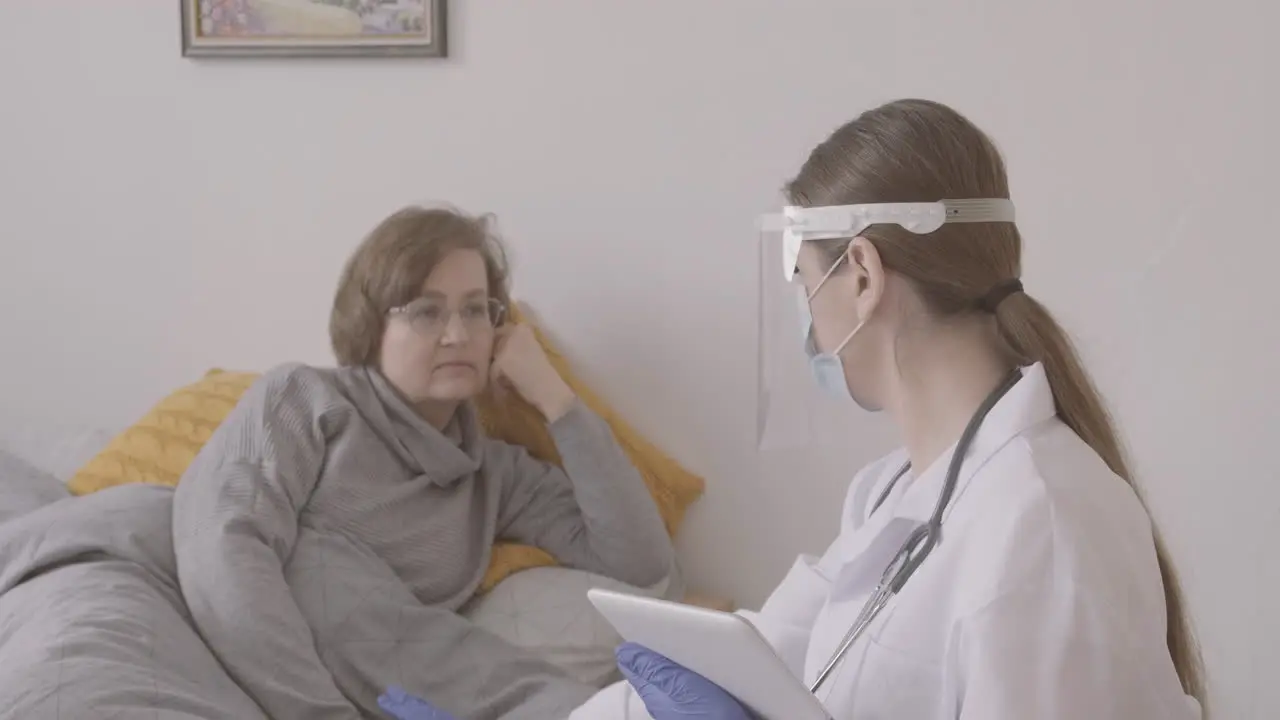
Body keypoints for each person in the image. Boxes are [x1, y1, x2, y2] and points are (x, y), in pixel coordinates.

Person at [569, 98, 1206, 719]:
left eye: (805, 283)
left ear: (864, 276)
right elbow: (761, 653)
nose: (806, 318)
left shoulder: (1044, 529)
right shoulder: (888, 495)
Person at [171, 206, 673, 720]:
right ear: (371, 327)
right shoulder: (305, 399)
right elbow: (223, 549)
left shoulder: (491, 475)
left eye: (476, 310)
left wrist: (555, 399)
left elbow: (640, 564)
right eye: (426, 311)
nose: (457, 334)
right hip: (182, 625)